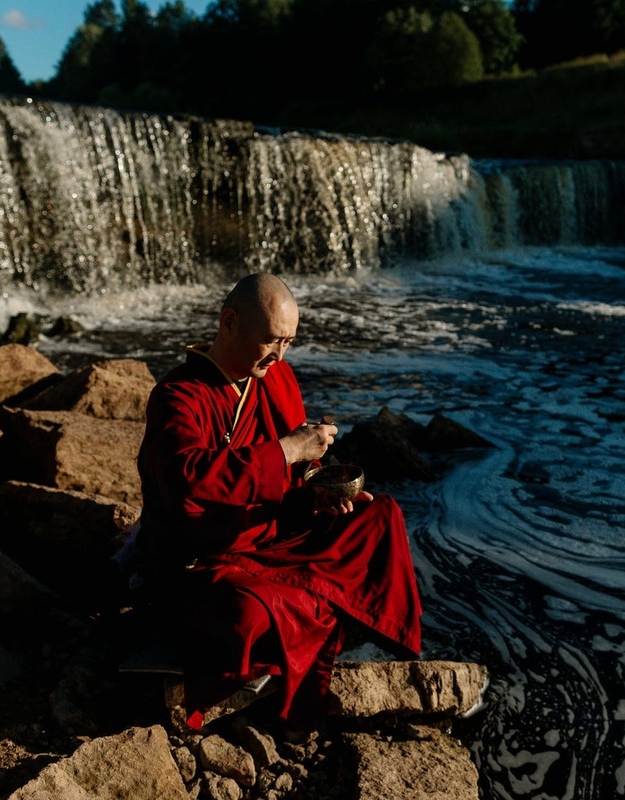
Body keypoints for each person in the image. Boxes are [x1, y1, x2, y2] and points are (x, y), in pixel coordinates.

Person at [134, 272, 422, 733]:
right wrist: (289, 449)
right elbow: (187, 479)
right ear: (229, 323)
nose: (281, 355)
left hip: (275, 531)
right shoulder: (178, 395)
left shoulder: (276, 375)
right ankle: (318, 621)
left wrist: (321, 489)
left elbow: (294, 473)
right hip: (206, 555)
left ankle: (313, 616)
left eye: (289, 341)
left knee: (380, 515)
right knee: (247, 614)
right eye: (271, 340)